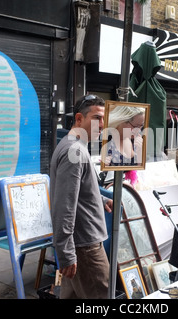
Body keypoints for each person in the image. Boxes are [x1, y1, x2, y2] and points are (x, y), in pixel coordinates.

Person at [50, 94, 113, 299]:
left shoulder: (73, 146)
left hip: (80, 245)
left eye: (104, 119)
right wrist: (66, 252)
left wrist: (101, 200)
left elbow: (77, 192)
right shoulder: (74, 150)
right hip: (85, 247)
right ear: (79, 119)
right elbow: (64, 205)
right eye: (96, 118)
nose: (102, 125)